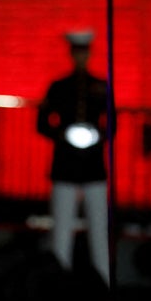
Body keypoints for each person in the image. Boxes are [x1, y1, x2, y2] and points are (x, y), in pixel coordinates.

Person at [35, 30, 112, 286]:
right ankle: (60, 285)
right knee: (61, 231)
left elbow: (112, 124)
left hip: (93, 166)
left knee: (99, 230)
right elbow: (42, 123)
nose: (81, 56)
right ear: (72, 54)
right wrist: (62, 135)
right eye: (77, 52)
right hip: (65, 165)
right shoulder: (59, 87)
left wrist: (97, 136)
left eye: (84, 52)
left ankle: (103, 283)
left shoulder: (100, 87)